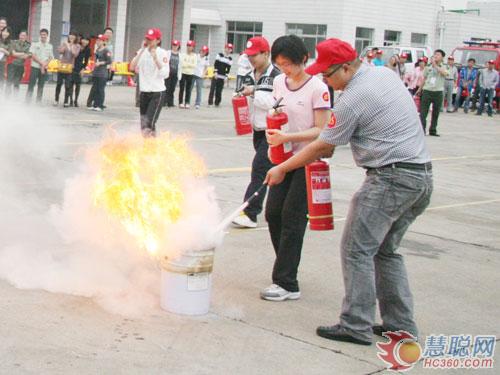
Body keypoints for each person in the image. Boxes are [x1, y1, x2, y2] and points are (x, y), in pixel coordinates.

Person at [265, 38, 432, 346]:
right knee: (384, 251)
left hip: (389, 180)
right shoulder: (382, 75)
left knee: (357, 250)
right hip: (420, 177)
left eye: (328, 76)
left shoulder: (354, 96)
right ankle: (401, 325)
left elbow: (322, 146)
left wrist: (282, 168)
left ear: (345, 68)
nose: (326, 82)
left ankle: (355, 325)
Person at [259, 35, 331, 302]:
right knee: (273, 214)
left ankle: (287, 282)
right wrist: (274, 136)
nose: (285, 69)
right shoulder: (279, 82)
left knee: (292, 218)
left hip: (307, 161)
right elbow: (279, 114)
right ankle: (286, 266)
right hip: (283, 158)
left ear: (304, 59)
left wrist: (288, 138)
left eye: (289, 64)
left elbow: (321, 131)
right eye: (279, 64)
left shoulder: (318, 88)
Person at [231, 36, 281, 229]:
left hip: (273, 130)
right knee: (274, 171)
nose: (252, 59)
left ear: (266, 53)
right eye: (249, 55)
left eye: (255, 55)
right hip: (258, 131)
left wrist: (253, 92)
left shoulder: (276, 75)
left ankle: (250, 212)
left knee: (259, 169)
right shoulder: (251, 73)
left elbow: (277, 103)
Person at [129, 28, 169, 137]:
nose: (148, 42)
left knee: (149, 122)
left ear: (158, 40)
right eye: (147, 39)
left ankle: (150, 146)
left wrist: (155, 59)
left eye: (151, 39)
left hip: (157, 92)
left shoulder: (162, 53)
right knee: (144, 124)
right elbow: (132, 67)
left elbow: (165, 74)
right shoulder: (142, 52)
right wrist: (142, 50)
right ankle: (150, 146)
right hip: (144, 92)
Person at [418, 49, 448, 136]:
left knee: (436, 112)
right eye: (435, 54)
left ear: (442, 57)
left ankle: (433, 130)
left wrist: (435, 66)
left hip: (438, 92)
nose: (436, 56)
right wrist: (420, 89)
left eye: (438, 55)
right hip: (427, 91)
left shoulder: (445, 66)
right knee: (423, 112)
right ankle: (422, 130)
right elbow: (424, 79)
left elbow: (445, 73)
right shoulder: (428, 67)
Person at [26, 28, 53, 104]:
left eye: (44, 34)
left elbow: (50, 57)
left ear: (47, 35)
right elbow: (33, 56)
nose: (43, 36)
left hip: (44, 68)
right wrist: (42, 64)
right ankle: (27, 101)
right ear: (40, 35)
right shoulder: (35, 44)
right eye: (41, 35)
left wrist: (44, 65)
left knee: (41, 85)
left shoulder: (50, 46)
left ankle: (38, 102)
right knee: (31, 84)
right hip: (35, 67)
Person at [55, 31, 80, 107]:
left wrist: (70, 46)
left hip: (69, 68)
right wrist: (63, 46)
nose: (71, 36)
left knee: (68, 85)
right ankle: (56, 100)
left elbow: (74, 54)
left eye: (73, 35)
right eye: (70, 35)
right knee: (59, 84)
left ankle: (66, 101)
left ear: (75, 37)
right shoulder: (64, 43)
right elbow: (60, 52)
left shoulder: (77, 46)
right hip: (62, 66)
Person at [89, 34, 112, 111]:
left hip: (102, 73)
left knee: (100, 89)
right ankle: (95, 104)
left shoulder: (106, 50)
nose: (97, 42)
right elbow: (95, 60)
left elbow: (109, 61)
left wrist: (101, 63)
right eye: (97, 40)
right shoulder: (97, 50)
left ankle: (100, 105)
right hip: (96, 72)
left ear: (104, 41)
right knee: (95, 88)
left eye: (99, 40)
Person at [5, 30, 31, 97]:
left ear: (26, 37)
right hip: (12, 64)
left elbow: (27, 56)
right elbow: (13, 53)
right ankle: (6, 97)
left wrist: (17, 54)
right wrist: (22, 53)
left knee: (17, 83)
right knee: (9, 81)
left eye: (24, 35)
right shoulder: (13, 42)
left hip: (21, 66)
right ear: (19, 35)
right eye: (21, 35)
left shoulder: (28, 45)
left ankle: (15, 97)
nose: (22, 37)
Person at [71, 35, 90, 107]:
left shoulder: (88, 50)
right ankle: (70, 100)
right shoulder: (76, 46)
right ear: (81, 40)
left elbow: (86, 61)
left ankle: (76, 100)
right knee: (70, 84)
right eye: (84, 39)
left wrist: (83, 69)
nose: (85, 41)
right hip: (73, 66)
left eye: (87, 40)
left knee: (78, 85)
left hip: (80, 68)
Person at [178, 40, 198, 109]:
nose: (189, 47)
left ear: (193, 47)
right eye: (188, 46)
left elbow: (194, 65)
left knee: (188, 89)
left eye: (191, 46)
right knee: (182, 88)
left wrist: (187, 64)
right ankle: (180, 102)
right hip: (183, 73)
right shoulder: (183, 54)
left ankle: (187, 102)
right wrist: (189, 65)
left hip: (190, 73)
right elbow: (182, 64)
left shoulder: (195, 56)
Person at [191, 45, 209, 109]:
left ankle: (197, 103)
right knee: (190, 89)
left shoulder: (206, 59)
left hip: (200, 76)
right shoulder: (196, 56)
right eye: (202, 50)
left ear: (206, 52)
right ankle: (187, 101)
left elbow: (206, 68)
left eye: (204, 51)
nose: (203, 52)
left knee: (199, 90)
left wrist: (203, 74)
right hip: (193, 74)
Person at [164, 39, 181, 107]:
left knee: (172, 88)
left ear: (178, 46)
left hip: (175, 73)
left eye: (176, 45)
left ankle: (170, 103)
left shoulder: (180, 55)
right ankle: (164, 102)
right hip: (168, 73)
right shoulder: (168, 52)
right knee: (166, 88)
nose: (174, 46)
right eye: (173, 45)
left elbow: (180, 65)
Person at [0, 26, 12, 91]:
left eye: (7, 32)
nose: (5, 33)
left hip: (2, 62)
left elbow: (9, 53)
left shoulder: (10, 42)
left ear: (9, 34)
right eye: (4, 31)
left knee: (1, 78)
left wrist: (2, 50)